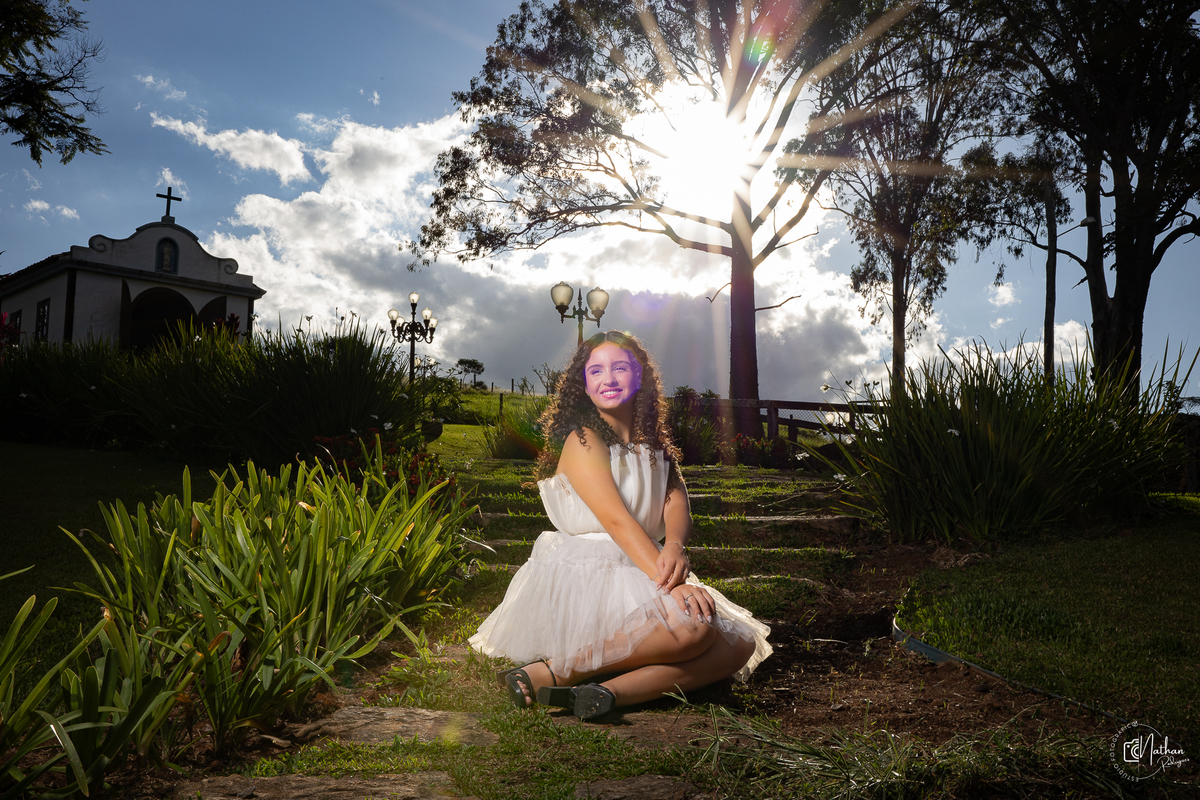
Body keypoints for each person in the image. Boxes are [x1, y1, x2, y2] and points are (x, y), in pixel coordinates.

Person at [468, 331, 772, 720]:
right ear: (584, 385)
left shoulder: (655, 447)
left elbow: (675, 500)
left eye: (619, 368)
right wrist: (674, 585)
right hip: (589, 570)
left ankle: (605, 693)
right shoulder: (583, 439)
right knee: (695, 630)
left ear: (639, 376)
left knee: (739, 645)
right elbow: (616, 519)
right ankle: (554, 671)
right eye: (596, 371)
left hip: (645, 560)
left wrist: (675, 546)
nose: (608, 379)